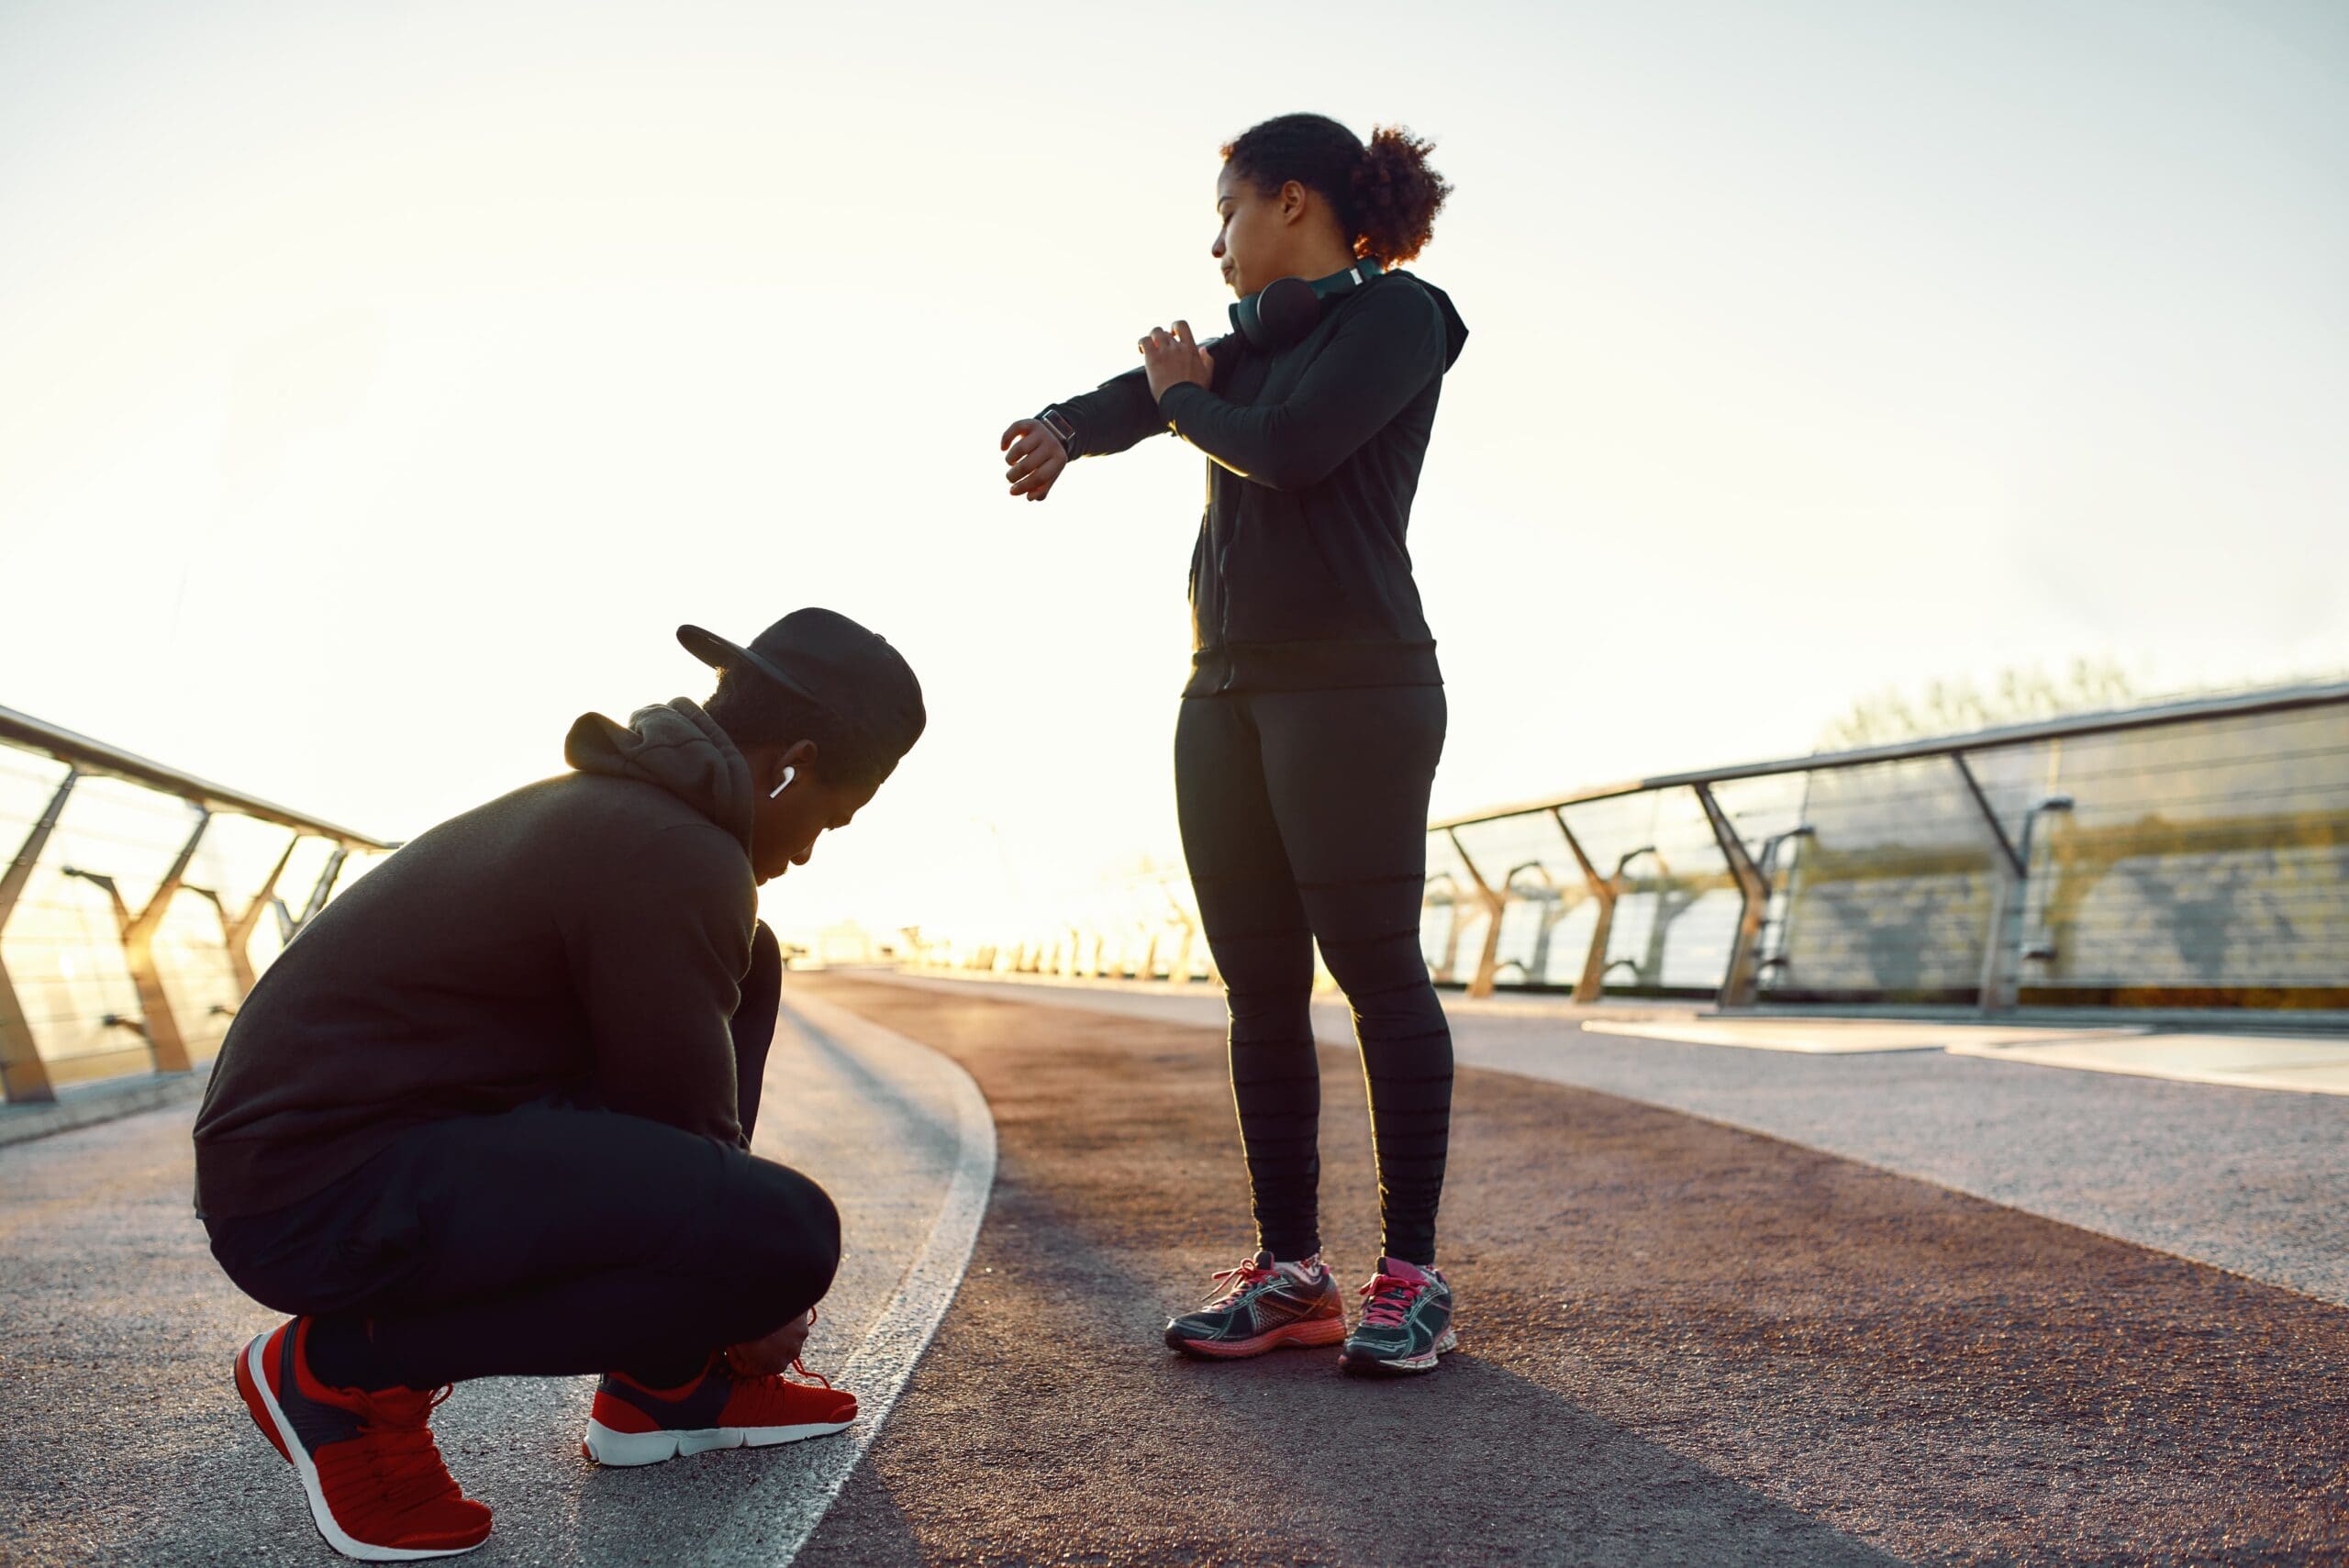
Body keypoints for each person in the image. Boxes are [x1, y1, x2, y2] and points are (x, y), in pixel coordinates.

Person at [192, 609, 924, 1561]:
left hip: (338, 1161)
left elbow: (676, 1134)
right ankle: (340, 1372)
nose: (812, 848)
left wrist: (715, 1295)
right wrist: (750, 1293)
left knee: (755, 958)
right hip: (317, 1194)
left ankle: (668, 1382)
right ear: (792, 761)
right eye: (832, 814)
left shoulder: (628, 819)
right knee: (786, 1236)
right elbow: (689, 1155)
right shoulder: (671, 849)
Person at [1000, 113, 1468, 1377]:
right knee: (1260, 987)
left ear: (1296, 204)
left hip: (1358, 686)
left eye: (1229, 214)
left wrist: (1179, 396)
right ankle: (1293, 1274)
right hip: (1224, 691)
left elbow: (1295, 450)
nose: (1216, 246)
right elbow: (1155, 384)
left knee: (1373, 965)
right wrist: (1065, 424)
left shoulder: (1398, 318)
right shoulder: (1255, 340)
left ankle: (1412, 1275)